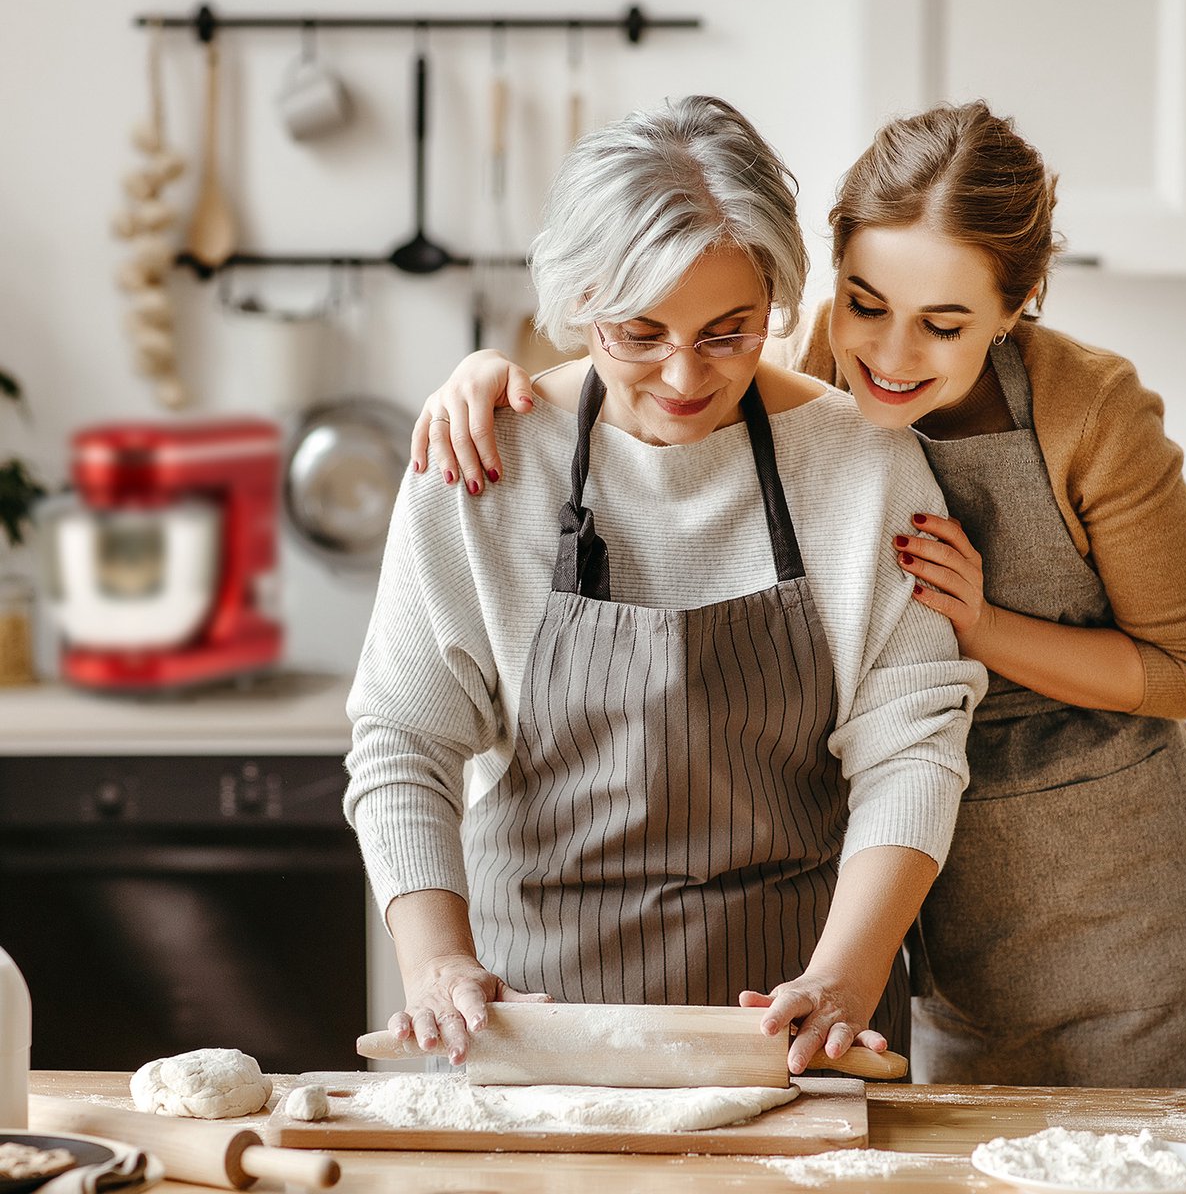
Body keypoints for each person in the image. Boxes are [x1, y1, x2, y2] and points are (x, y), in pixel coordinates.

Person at [409, 100, 1186, 1087]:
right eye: (867, 304)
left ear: (1019, 303)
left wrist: (982, 626)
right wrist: (487, 378)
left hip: (1113, 885)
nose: (893, 356)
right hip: (934, 906)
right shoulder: (811, 373)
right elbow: (664, 357)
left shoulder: (1083, 415)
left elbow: (1181, 671)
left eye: (943, 325)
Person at [345, 94, 984, 1076]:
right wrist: (436, 966)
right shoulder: (485, 462)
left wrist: (847, 980)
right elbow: (403, 738)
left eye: (730, 332)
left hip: (797, 1029)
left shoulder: (861, 466)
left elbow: (914, 746)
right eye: (638, 334)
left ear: (776, 298)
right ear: (576, 305)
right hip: (532, 1031)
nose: (686, 376)